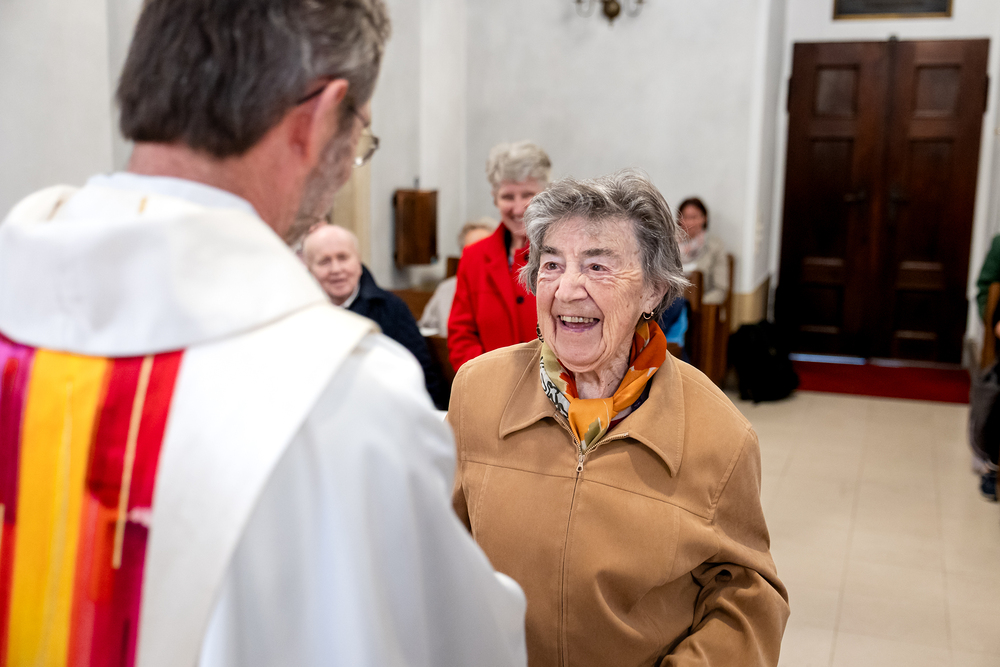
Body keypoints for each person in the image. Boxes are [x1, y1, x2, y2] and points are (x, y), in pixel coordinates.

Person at [0, 1, 528, 666]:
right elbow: (457, 647)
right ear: (318, 116)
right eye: (360, 139)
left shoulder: (15, 300)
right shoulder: (343, 402)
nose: (349, 163)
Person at [449, 170, 789, 667]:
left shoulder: (720, 433)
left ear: (653, 290)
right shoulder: (478, 392)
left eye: (598, 266)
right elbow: (439, 546)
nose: (568, 289)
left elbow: (746, 598)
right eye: (551, 264)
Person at [302, 223, 448, 409]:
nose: (336, 269)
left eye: (343, 257)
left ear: (358, 262)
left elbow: (420, 374)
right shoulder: (300, 314)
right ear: (309, 270)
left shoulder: (390, 308)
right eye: (324, 261)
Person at [448, 141, 551, 371]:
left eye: (528, 195)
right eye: (507, 196)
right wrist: (490, 380)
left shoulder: (563, 253)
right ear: (495, 198)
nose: (518, 208)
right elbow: (461, 336)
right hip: (489, 383)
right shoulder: (474, 257)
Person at [418, 219, 495, 335]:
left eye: (486, 249)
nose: (479, 256)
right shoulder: (446, 289)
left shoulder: (508, 288)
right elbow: (426, 329)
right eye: (472, 250)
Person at [677, 196, 728, 304]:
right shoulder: (670, 244)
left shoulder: (715, 246)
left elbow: (720, 289)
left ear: (704, 219)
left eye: (694, 217)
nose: (689, 222)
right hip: (670, 305)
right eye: (685, 217)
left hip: (701, 306)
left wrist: (695, 304)